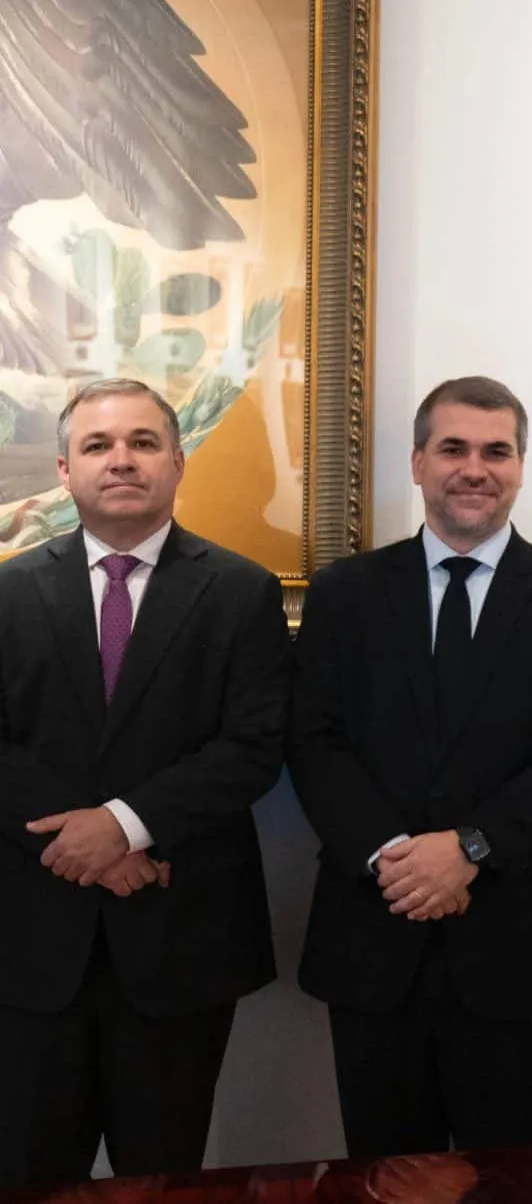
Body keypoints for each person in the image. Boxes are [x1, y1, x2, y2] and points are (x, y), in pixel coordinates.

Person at [289, 376, 532, 1156]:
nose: (475, 468)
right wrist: (394, 857)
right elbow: (313, 742)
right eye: (453, 449)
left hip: (526, 942)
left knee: (516, 1182)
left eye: (496, 451)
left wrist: (471, 847)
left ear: (519, 467)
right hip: (378, 931)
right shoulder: (345, 594)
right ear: (416, 463)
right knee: (386, 1176)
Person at [0, 378, 290, 1189]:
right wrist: (89, 842)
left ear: (178, 462)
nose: (120, 460)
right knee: (26, 1175)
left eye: (142, 442)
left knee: (164, 1178)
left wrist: (126, 825)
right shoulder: (8, 592)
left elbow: (254, 745)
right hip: (30, 942)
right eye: (97, 446)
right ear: (63, 470)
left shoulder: (241, 591)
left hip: (181, 935)